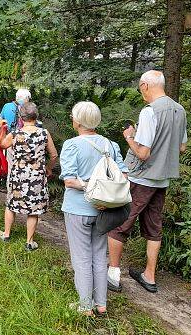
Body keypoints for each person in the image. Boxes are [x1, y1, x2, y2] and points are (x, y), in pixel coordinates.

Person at [108, 70, 187, 293]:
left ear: (144, 86)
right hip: (162, 180)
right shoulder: (179, 110)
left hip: (141, 179)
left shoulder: (149, 112)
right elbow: (182, 147)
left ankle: (113, 275)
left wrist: (129, 137)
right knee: (154, 228)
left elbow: (143, 153)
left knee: (120, 224)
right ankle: (149, 276)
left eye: (140, 87)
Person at [59, 101, 128, 316]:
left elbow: (69, 181)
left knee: (81, 258)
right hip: (104, 211)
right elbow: (123, 177)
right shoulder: (111, 145)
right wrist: (103, 194)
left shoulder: (72, 145)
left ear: (78, 121)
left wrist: (90, 187)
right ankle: (101, 304)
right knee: (99, 256)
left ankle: (85, 305)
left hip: (78, 209)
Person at [0, 102, 57, 251]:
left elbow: (2, 145)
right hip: (37, 175)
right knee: (33, 209)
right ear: (36, 117)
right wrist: (48, 168)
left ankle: (6, 234)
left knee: (11, 204)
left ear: (21, 118)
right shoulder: (44, 133)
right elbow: (54, 155)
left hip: (18, 174)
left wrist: (2, 129)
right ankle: (29, 242)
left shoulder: (15, 134)